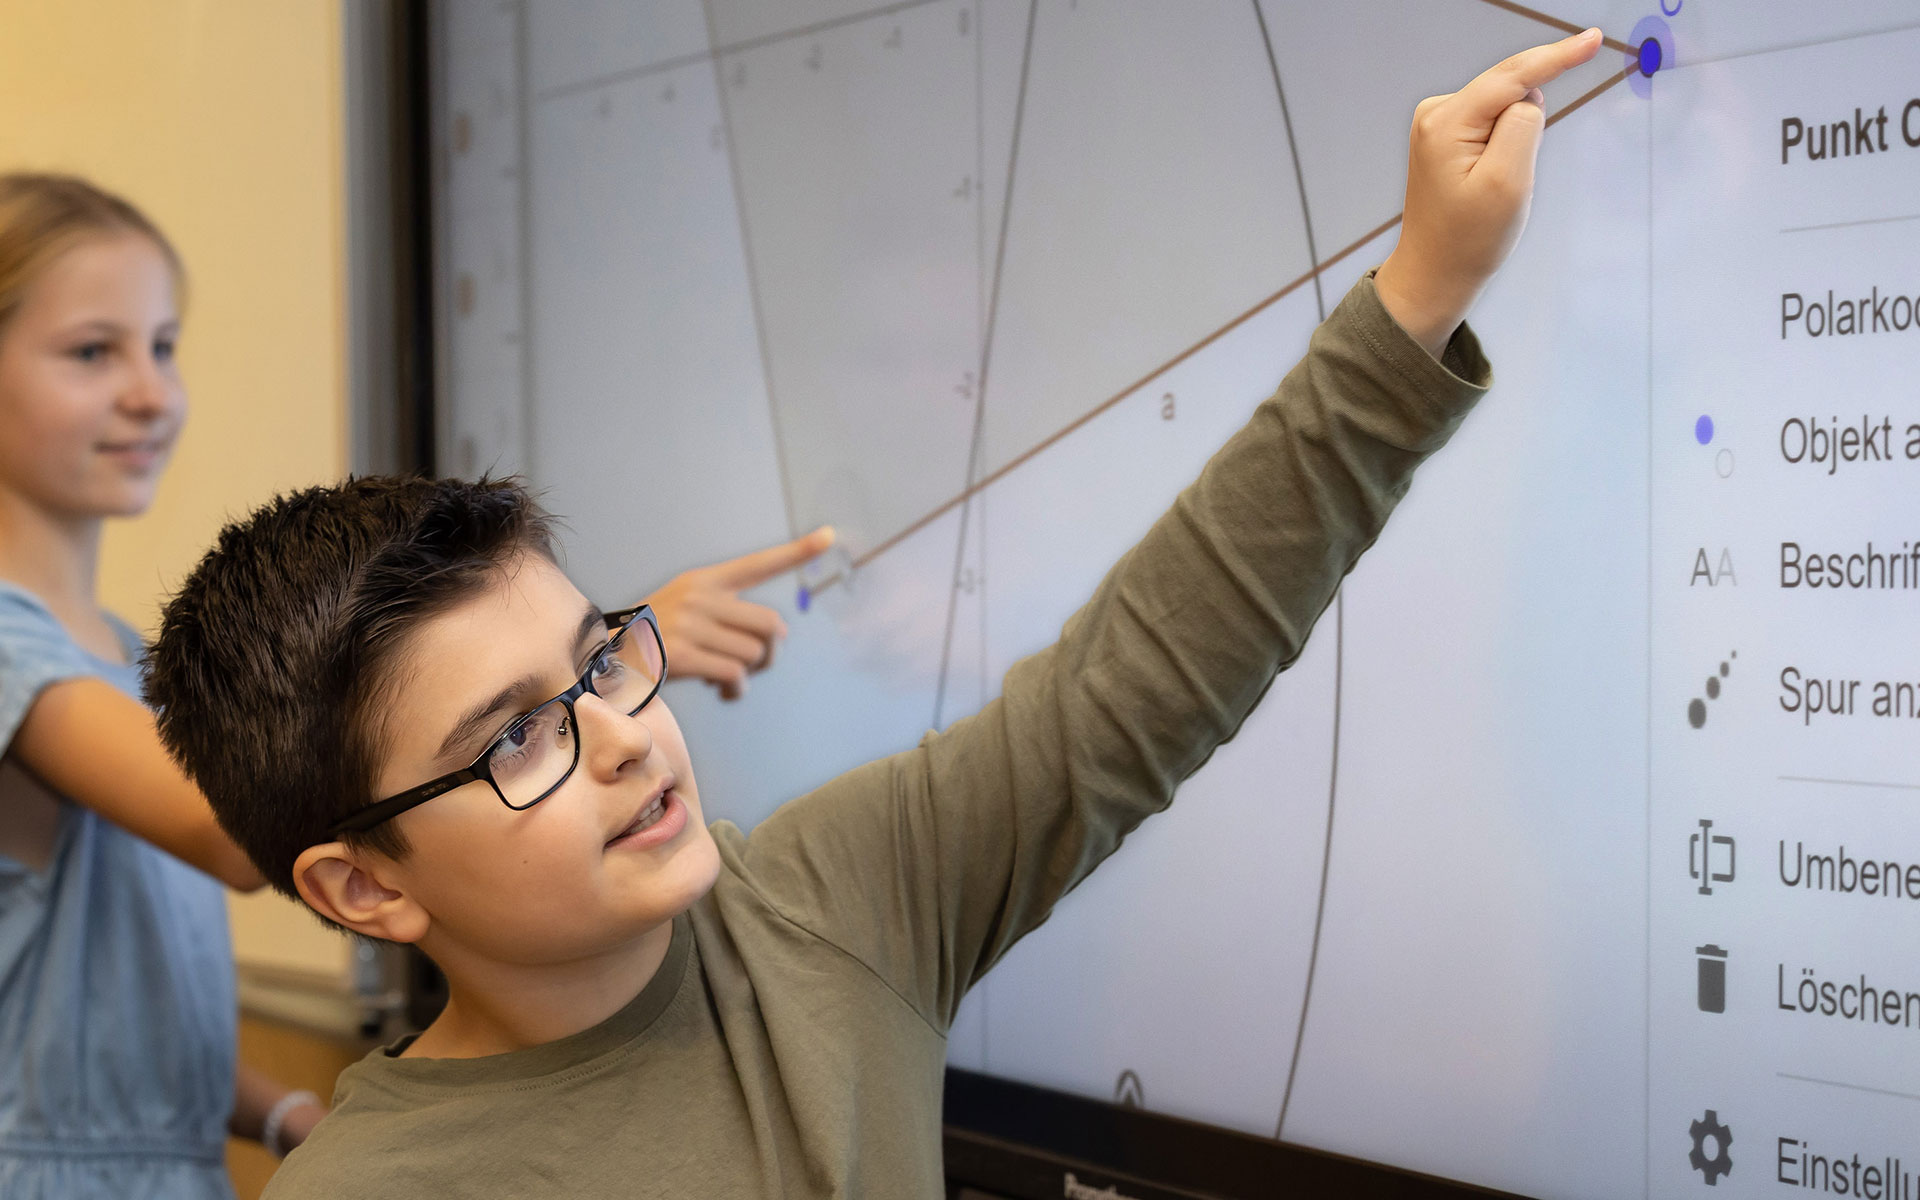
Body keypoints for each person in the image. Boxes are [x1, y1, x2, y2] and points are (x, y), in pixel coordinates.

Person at [139, 32, 1601, 1198]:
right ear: (362, 891)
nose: (625, 743)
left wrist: (1417, 295)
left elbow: (1137, 679)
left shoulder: (831, 907)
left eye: (600, 663)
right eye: (521, 737)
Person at [0, 172, 829, 1198]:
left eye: (163, 346)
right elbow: (240, 824)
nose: (150, 391)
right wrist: (573, 668)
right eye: (93, 351)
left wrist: (280, 1110)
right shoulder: (9, 648)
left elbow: (114, 1002)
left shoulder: (103, 646)